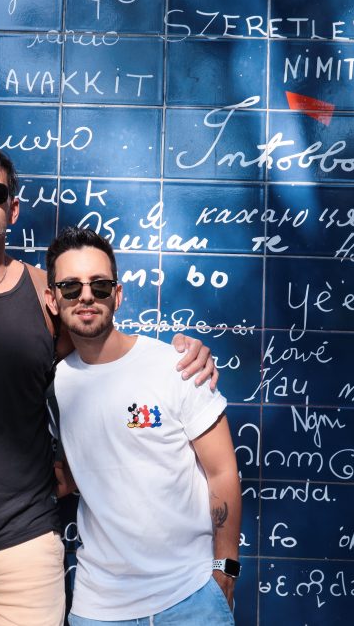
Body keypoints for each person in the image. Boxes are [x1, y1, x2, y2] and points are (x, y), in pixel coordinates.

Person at [0, 145, 218, 626]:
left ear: (13, 208)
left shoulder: (46, 296)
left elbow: (107, 348)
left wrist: (183, 351)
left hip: (27, 549)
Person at [45, 227, 242, 625]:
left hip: (190, 600)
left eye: (100, 286)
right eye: (70, 286)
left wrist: (226, 572)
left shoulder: (177, 366)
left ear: (118, 295)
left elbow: (222, 472)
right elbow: (69, 476)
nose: (86, 296)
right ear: (53, 299)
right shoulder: (54, 385)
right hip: (98, 609)